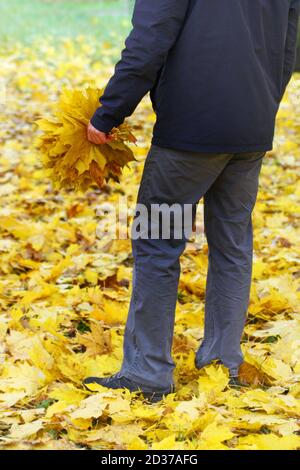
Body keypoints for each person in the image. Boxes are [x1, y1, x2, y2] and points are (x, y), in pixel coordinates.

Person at [84, 0, 300, 402]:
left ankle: (147, 372)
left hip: (189, 136)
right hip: (250, 128)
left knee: (157, 243)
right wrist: (263, 106)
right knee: (232, 244)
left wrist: (108, 112)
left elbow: (148, 41)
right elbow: (288, 47)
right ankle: (223, 365)